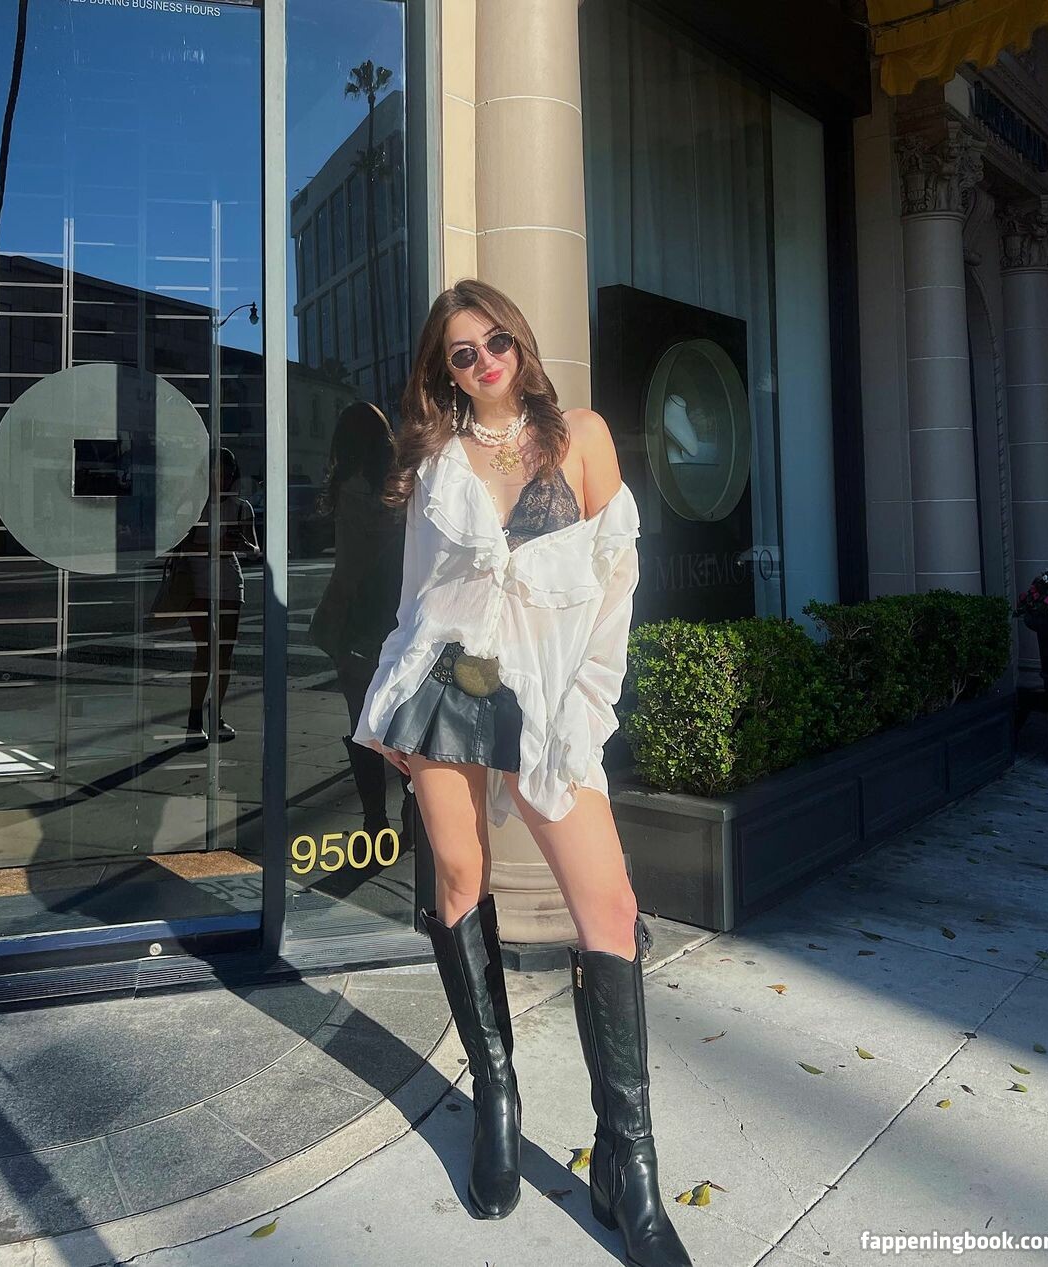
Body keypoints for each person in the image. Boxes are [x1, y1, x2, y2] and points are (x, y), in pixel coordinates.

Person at [352, 279, 692, 1266]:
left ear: (520, 341)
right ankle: (496, 1096)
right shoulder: (438, 461)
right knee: (461, 878)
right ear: (446, 372)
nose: (485, 360)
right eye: (462, 353)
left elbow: (617, 581)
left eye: (496, 339)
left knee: (609, 906)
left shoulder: (582, 436)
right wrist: (392, 701)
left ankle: (627, 1161)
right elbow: (421, 599)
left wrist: (587, 703)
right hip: (453, 680)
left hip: (547, 690)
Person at [310, 400, 411, 842]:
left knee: (362, 723)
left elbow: (349, 568)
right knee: (404, 720)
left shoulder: (348, 490)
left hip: (359, 620)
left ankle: (375, 821)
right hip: (401, 613)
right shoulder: (403, 484)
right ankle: (413, 809)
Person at [179, 447, 258, 743]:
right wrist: (216, 546)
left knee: (223, 653)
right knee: (205, 650)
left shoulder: (241, 508)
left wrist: (243, 545)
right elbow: (181, 546)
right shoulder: (193, 505)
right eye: (215, 473)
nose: (221, 479)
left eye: (226, 473)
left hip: (229, 581)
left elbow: (255, 550)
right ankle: (194, 717)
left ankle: (216, 714)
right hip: (195, 582)